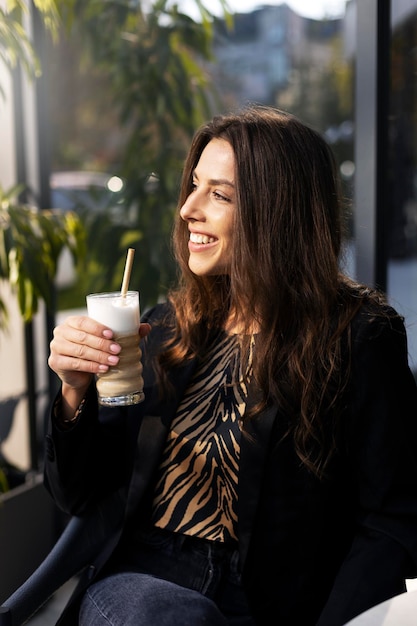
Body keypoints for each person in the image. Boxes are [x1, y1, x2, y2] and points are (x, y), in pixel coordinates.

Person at [46, 105, 417, 626]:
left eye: (219, 194)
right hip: (144, 588)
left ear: (277, 212)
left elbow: (392, 519)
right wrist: (72, 393)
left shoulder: (358, 336)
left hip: (263, 604)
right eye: (194, 185)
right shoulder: (165, 329)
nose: (187, 209)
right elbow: (79, 494)